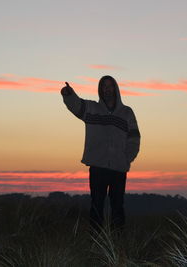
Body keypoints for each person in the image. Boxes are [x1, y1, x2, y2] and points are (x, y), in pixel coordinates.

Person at [60, 75, 141, 233]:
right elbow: (77, 106)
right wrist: (68, 94)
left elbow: (134, 138)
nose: (107, 89)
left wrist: (127, 159)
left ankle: (117, 242)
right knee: (96, 205)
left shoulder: (126, 113)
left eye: (110, 86)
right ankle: (95, 242)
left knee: (117, 206)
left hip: (119, 167)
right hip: (98, 167)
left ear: (115, 89)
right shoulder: (92, 109)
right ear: (100, 90)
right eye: (104, 86)